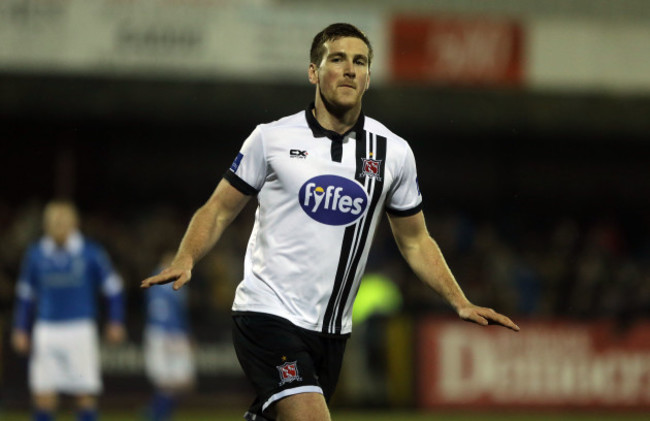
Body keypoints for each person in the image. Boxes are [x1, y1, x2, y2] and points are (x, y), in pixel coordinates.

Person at [141, 22, 520, 421]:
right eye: (337, 59)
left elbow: (415, 240)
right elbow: (218, 209)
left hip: (332, 333)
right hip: (267, 314)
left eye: (360, 61)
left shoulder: (393, 153)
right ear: (314, 72)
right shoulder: (270, 139)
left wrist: (458, 300)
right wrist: (186, 257)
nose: (350, 69)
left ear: (369, 77)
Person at [11, 200, 126, 421]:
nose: (58, 225)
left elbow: (113, 288)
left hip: (79, 329)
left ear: (75, 223)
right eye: (53, 221)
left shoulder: (90, 252)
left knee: (83, 395)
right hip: (47, 329)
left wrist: (115, 321)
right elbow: (25, 295)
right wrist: (20, 328)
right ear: (45, 224)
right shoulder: (36, 254)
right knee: (43, 397)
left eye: (63, 221)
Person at [143, 251, 196, 421]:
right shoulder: (170, 281)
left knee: (176, 383)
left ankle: (154, 412)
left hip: (163, 332)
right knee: (171, 382)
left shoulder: (154, 279)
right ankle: (156, 414)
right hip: (166, 333)